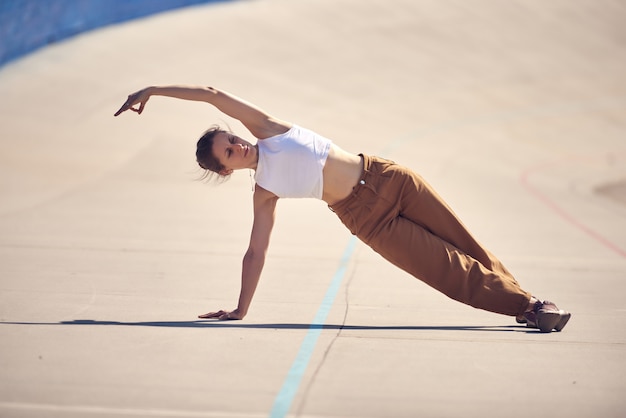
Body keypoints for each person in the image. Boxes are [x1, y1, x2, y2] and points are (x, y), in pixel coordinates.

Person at [114, 85, 571, 333]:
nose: (237, 145)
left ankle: (529, 301)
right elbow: (256, 252)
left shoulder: (268, 128)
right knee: (446, 269)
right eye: (228, 153)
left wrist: (153, 89)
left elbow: (212, 93)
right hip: (369, 220)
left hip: (389, 178)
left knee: (465, 242)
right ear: (227, 170)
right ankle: (528, 306)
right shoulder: (265, 190)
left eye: (231, 138)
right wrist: (240, 309)